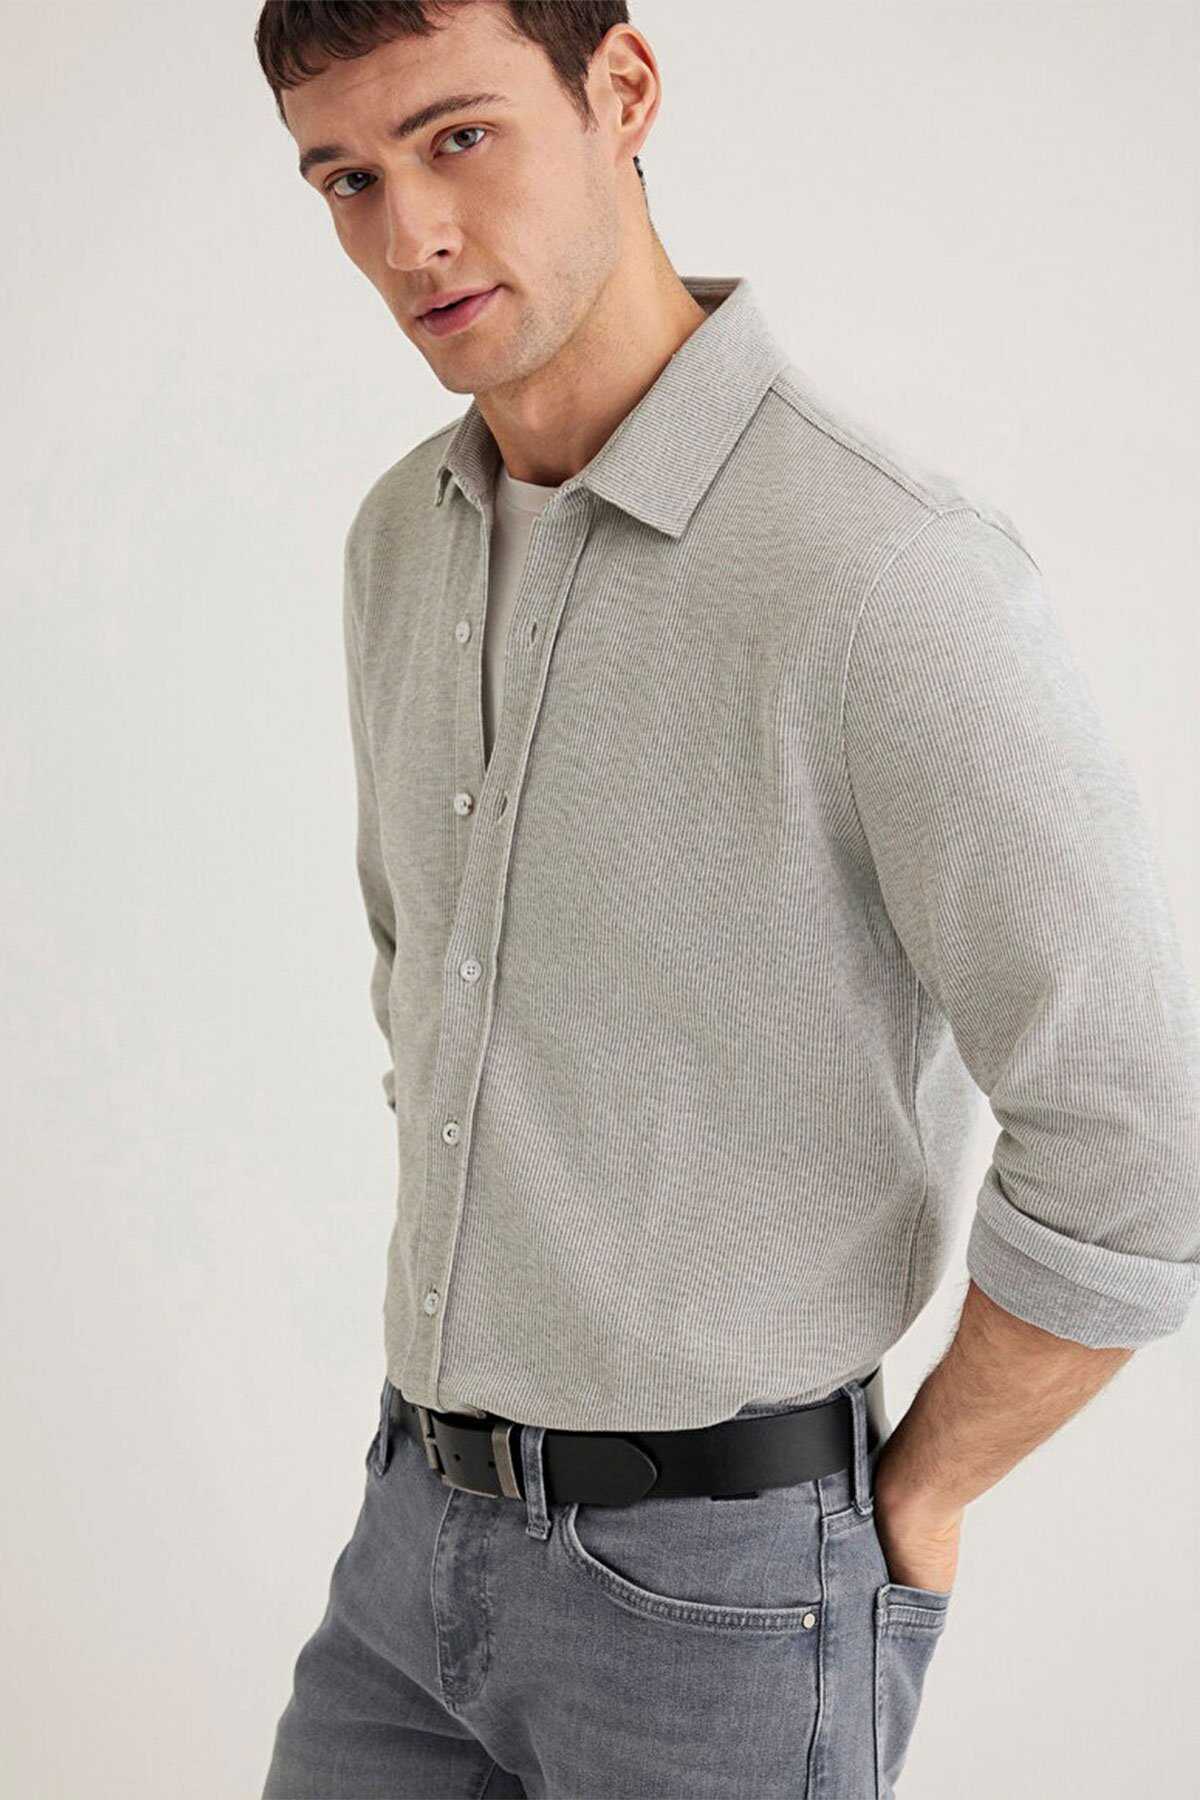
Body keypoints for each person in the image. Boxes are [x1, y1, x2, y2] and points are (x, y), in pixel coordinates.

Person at [254, 3, 1200, 1795]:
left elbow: (1137, 1139)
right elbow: (422, 997)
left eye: (459, 138)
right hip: (405, 1545)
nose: (410, 236)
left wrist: (921, 1493)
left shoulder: (888, 571)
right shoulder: (399, 539)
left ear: (621, 91)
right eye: (347, 179)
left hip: (726, 1596)